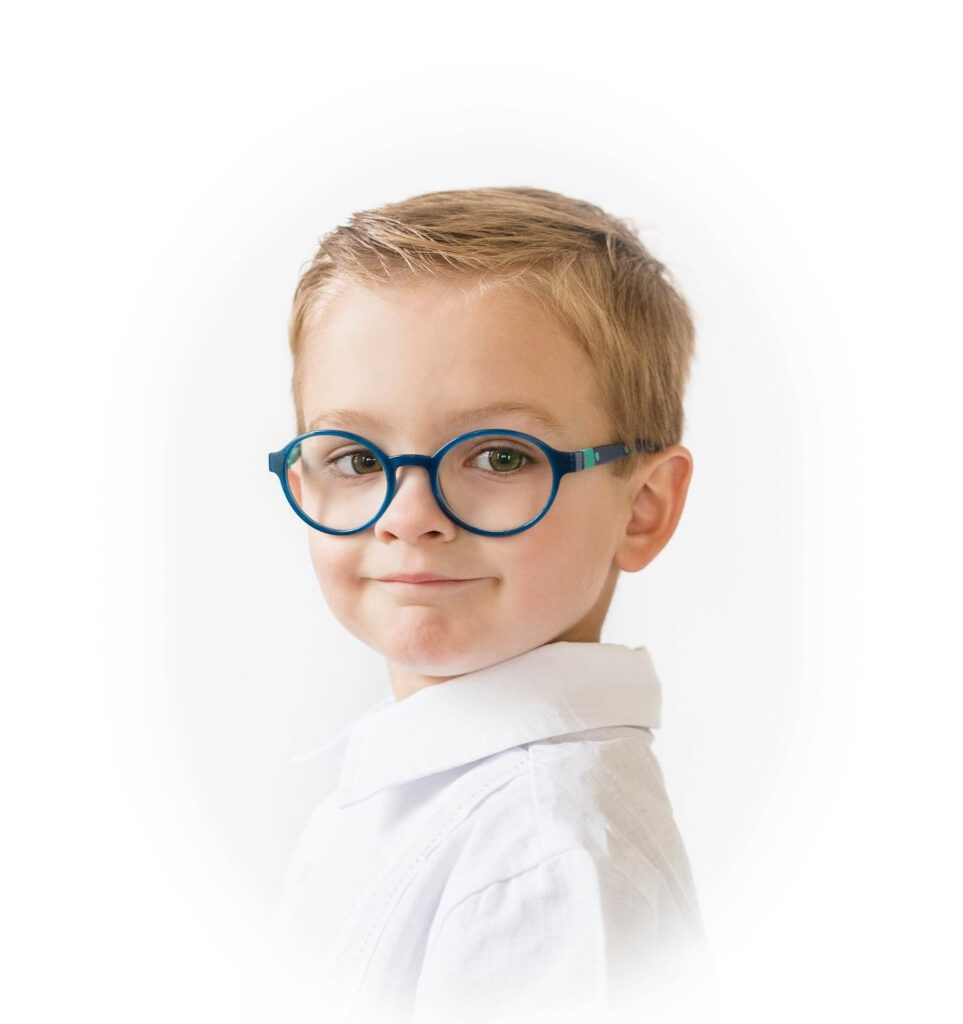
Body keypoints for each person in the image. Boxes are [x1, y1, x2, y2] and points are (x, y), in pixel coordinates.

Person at [267, 186, 714, 1023]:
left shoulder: (543, 859)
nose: (407, 518)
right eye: (357, 459)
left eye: (500, 456)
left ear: (643, 506)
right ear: (304, 481)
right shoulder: (416, 796)